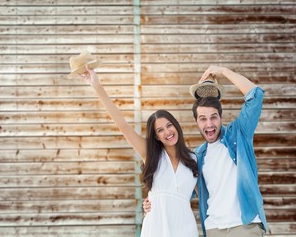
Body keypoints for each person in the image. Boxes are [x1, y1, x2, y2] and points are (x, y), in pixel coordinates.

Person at [144, 66, 268, 237]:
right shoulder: (196, 157)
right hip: (213, 230)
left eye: (213, 117)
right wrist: (153, 202)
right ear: (196, 122)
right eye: (203, 119)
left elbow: (255, 95)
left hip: (244, 227)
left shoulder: (239, 135)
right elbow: (179, 188)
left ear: (221, 117)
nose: (209, 124)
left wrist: (224, 71)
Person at [78, 64, 199, 237]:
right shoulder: (151, 154)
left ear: (176, 126)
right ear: (156, 136)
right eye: (160, 130)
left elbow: (208, 195)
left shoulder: (194, 158)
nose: (167, 132)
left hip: (185, 229)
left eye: (169, 126)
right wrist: (96, 85)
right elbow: (123, 126)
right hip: (156, 229)